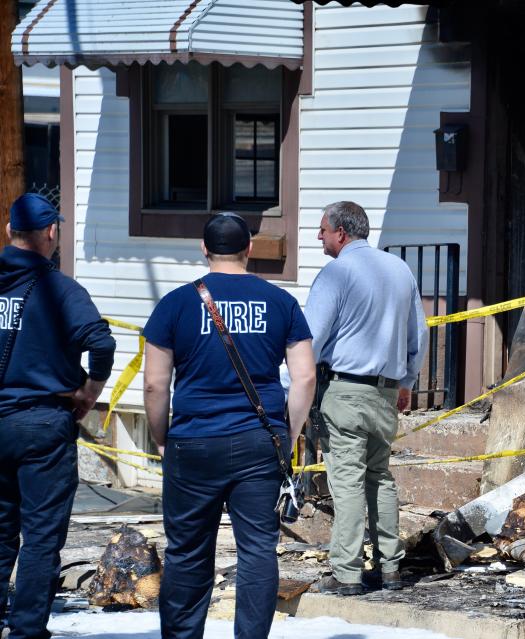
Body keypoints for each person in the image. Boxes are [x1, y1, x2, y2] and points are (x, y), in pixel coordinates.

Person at [143, 212, 315, 639]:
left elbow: (153, 384)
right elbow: (306, 377)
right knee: (258, 550)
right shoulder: (281, 302)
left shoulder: (176, 304)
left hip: (192, 440)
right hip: (260, 440)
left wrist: (161, 438)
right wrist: (286, 435)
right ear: (249, 249)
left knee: (186, 553)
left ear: (203, 249)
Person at [0, 193, 116, 639]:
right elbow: (101, 343)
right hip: (42, 423)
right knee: (41, 534)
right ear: (51, 233)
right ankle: (28, 629)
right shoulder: (60, 290)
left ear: (10, 232)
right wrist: (89, 390)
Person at [305, 201, 427, 596]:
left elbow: (312, 339)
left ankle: (346, 574)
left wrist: (295, 388)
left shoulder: (336, 273)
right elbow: (418, 335)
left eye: (322, 229)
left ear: (341, 232)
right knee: (380, 477)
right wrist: (406, 381)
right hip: (385, 391)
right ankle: (391, 567)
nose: (319, 236)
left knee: (347, 483)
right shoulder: (399, 270)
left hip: (344, 389)